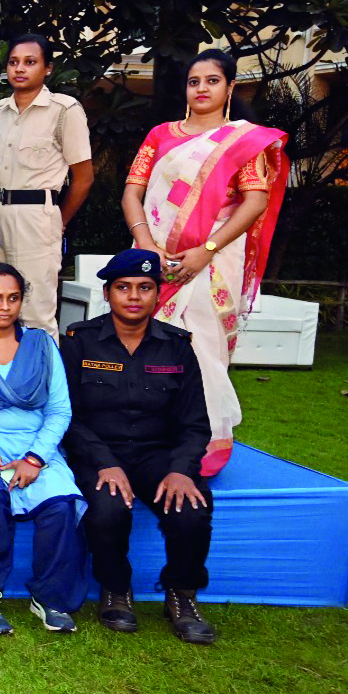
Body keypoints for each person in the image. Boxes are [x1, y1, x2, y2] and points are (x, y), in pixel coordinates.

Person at [122, 48, 287, 476]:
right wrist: (146, 244)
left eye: (212, 81)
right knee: (146, 344)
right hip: (154, 259)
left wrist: (206, 249)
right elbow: (132, 193)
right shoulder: (161, 135)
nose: (201, 89)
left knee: (202, 348)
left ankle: (205, 443)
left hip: (212, 261)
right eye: (194, 81)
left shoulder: (243, 142)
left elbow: (255, 202)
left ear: (230, 87)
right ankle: (146, 436)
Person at [62, 250, 215, 643]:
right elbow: (66, 416)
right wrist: (103, 461)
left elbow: (195, 423)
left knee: (191, 509)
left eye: (144, 287)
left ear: (157, 294)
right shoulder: (80, 342)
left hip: (157, 455)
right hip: (99, 453)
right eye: (123, 287)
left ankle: (181, 594)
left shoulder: (178, 346)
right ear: (107, 293)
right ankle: (116, 589)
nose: (134, 296)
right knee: (107, 509)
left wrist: (181, 470)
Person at [0, 264, 86, 636]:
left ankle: (51, 597)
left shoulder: (41, 344)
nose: (4, 307)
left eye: (13, 298)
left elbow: (60, 409)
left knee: (60, 504)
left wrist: (35, 458)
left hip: (36, 446)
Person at [0, 35, 95, 338]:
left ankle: (45, 370)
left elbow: (84, 177)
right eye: (13, 62)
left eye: (30, 62)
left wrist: (60, 220)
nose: (20, 69)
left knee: (35, 312)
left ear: (47, 68)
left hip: (37, 217)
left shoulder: (63, 110)